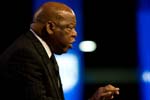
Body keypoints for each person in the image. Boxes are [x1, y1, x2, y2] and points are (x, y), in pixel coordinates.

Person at [0, 1, 119, 100]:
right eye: (70, 27)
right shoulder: (25, 54)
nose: (75, 34)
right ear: (50, 27)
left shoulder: (40, 50)